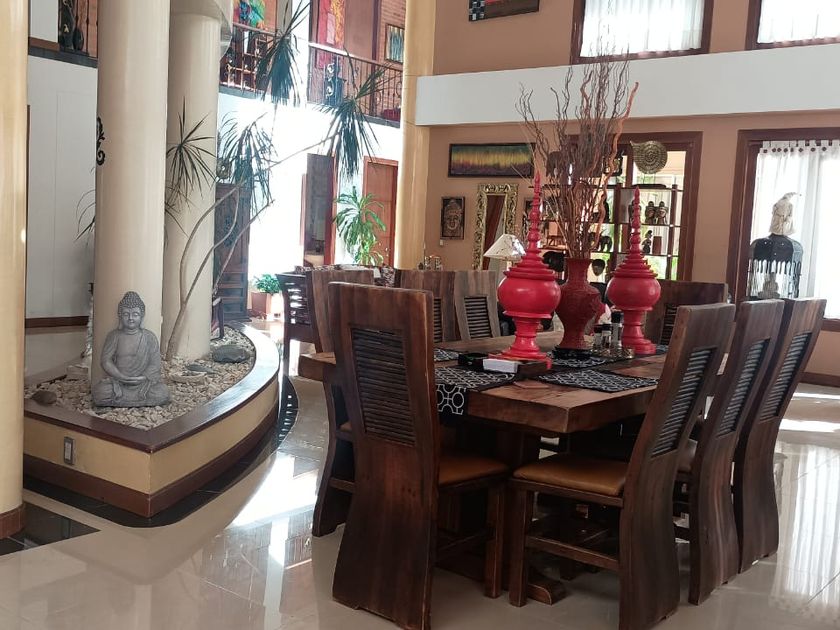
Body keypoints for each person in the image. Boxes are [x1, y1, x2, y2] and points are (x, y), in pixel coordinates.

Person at [92, 291, 171, 407]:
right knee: (100, 392)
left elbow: (155, 364)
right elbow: (105, 361)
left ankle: (123, 401)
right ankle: (137, 401)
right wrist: (120, 376)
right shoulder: (114, 336)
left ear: (141, 316)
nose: (130, 318)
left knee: (162, 392)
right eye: (126, 314)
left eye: (135, 314)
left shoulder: (149, 337)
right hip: (119, 383)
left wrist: (143, 377)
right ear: (120, 316)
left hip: (143, 384)